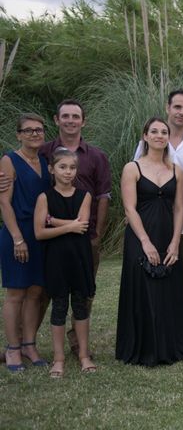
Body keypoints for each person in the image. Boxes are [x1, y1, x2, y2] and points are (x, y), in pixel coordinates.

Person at [0, 99, 111, 356]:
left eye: (76, 116)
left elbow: (103, 196)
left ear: (83, 121)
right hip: (39, 234)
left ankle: (72, 344)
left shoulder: (95, 156)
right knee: (35, 291)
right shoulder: (43, 152)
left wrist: (97, 235)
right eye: (66, 116)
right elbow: (14, 184)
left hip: (82, 235)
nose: (71, 120)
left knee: (74, 292)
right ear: (57, 120)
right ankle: (17, 345)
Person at [116, 117, 183, 366]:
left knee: (169, 290)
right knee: (143, 288)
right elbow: (129, 208)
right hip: (141, 235)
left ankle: (171, 346)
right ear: (145, 136)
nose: (159, 135)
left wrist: (174, 242)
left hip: (167, 233)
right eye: (154, 131)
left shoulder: (176, 171)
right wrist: (145, 242)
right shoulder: (132, 168)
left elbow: (180, 208)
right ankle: (143, 348)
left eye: (164, 132)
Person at [133, 90, 183, 352]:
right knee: (154, 274)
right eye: (177, 107)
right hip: (153, 222)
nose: (181, 112)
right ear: (168, 107)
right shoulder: (151, 138)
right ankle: (161, 326)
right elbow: (137, 178)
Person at [34, 148, 96, 377]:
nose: (68, 172)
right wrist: (68, 226)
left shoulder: (85, 195)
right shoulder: (45, 198)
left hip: (79, 258)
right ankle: (58, 359)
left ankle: (84, 355)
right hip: (56, 259)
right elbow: (40, 232)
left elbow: (83, 225)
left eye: (72, 167)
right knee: (59, 307)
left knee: (80, 307)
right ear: (51, 169)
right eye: (62, 167)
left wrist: (54, 221)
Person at [0, 114, 50, 372]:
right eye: (28, 130)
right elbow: (4, 202)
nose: (34, 134)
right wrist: (17, 238)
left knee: (35, 292)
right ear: (18, 134)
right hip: (16, 232)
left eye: (39, 130)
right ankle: (12, 349)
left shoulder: (44, 161)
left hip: (39, 233)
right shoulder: (9, 161)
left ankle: (30, 345)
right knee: (16, 293)